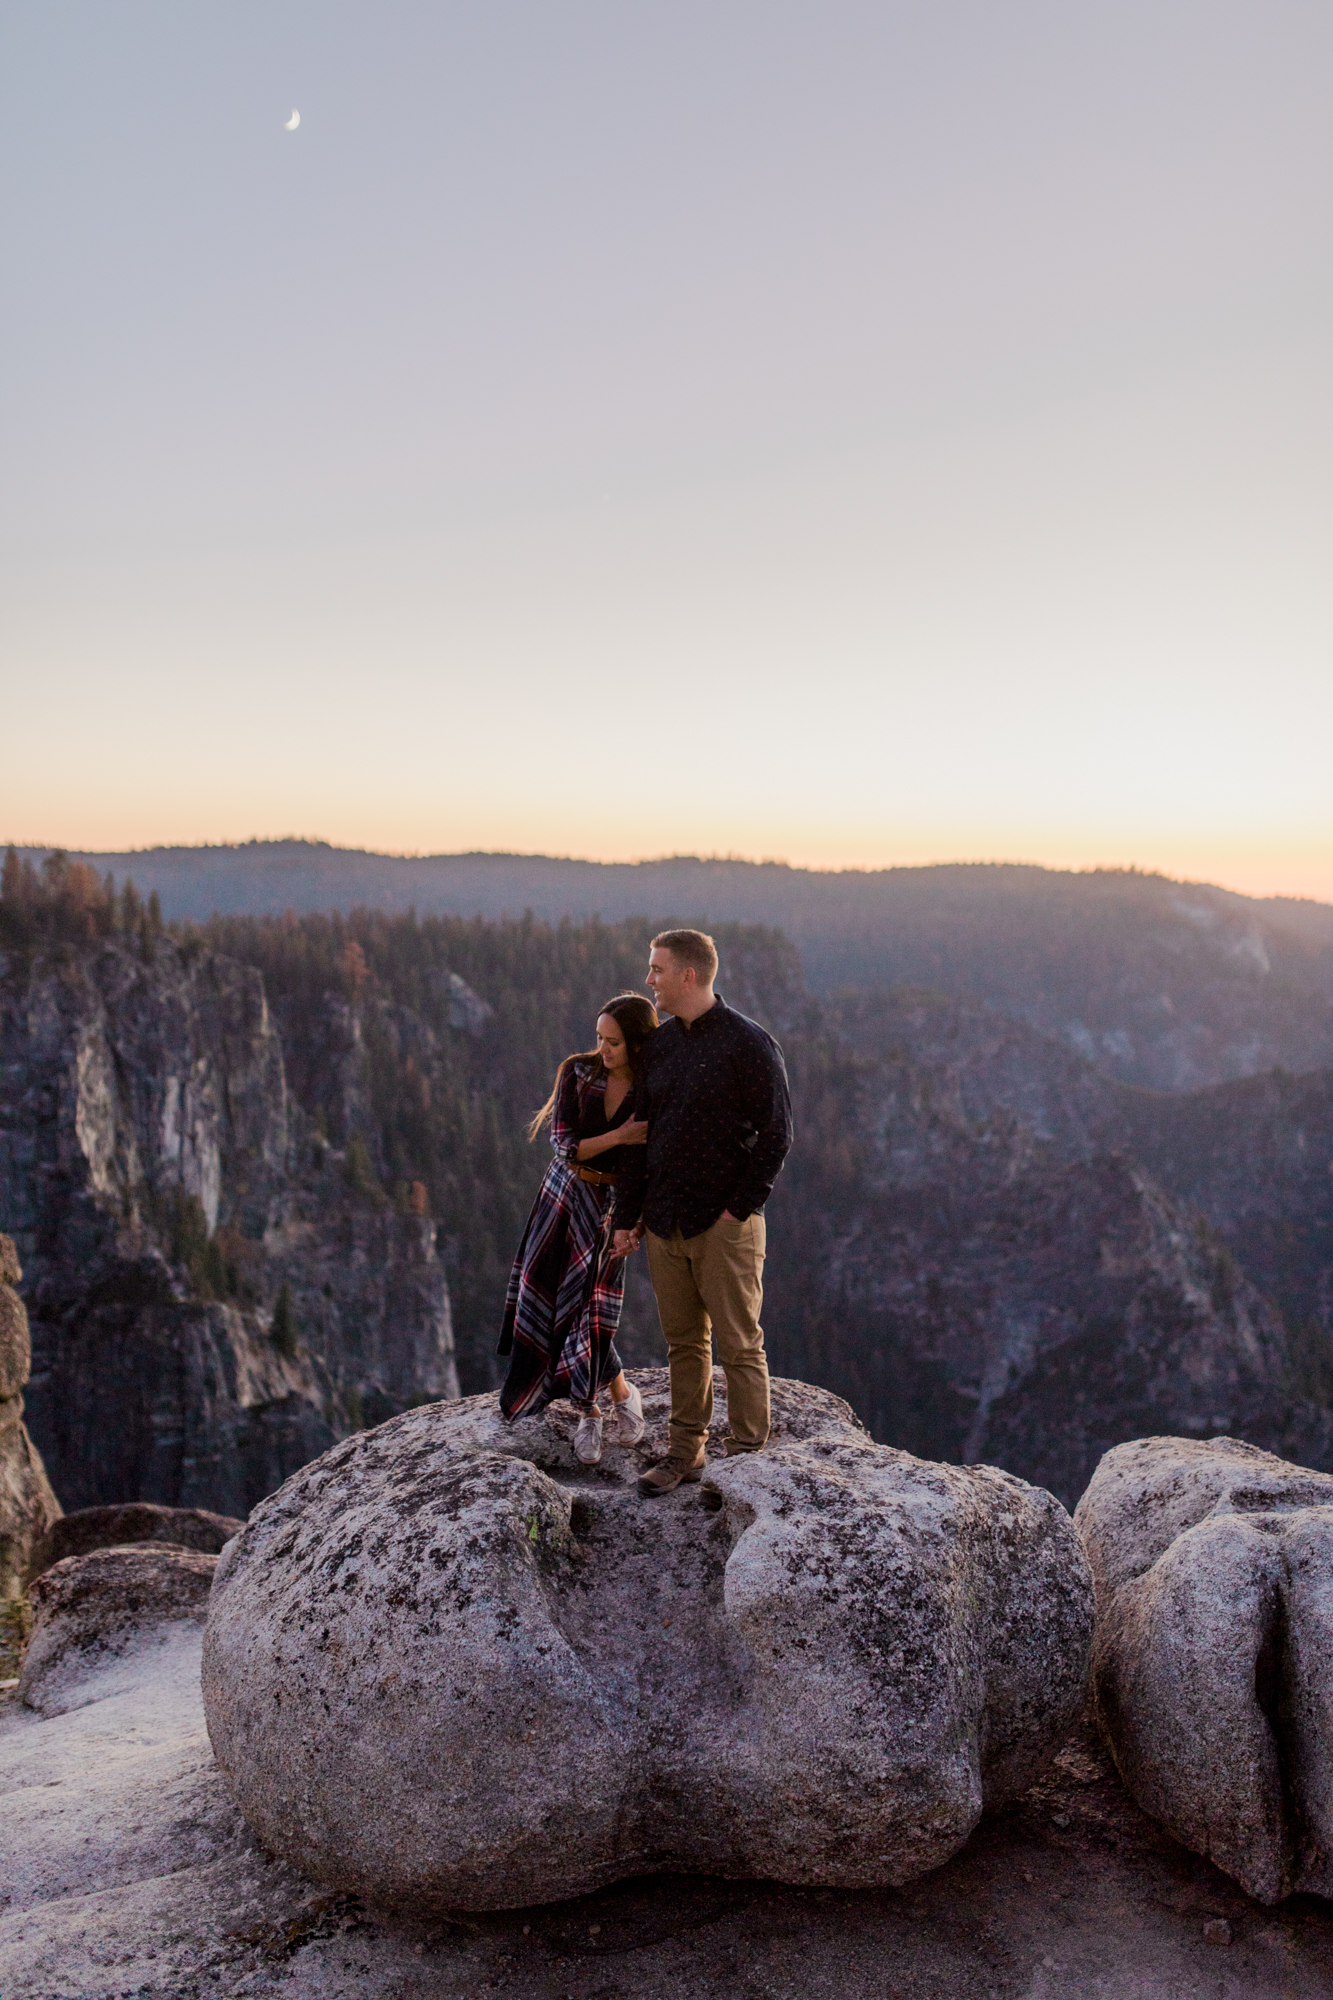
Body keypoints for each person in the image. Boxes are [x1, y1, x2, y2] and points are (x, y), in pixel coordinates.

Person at [611, 929, 793, 1496]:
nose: (650, 981)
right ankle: (685, 1454)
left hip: (724, 1225)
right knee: (685, 1344)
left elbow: (778, 1135)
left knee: (740, 1344)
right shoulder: (660, 1047)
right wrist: (629, 1215)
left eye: (657, 970)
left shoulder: (749, 1044)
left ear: (689, 975)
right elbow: (641, 1137)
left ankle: (742, 1465)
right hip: (665, 1222)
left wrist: (738, 1210)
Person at [498, 992, 658, 1463]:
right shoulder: (579, 1072)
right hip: (564, 1194)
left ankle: (614, 1399)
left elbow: (649, 1164)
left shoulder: (651, 1087)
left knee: (593, 1307)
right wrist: (621, 1135)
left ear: (637, 1043)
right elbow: (564, 1144)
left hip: (612, 1204)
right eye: (599, 1037)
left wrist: (637, 1221)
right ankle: (595, 1407)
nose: (603, 1049)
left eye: (614, 1042)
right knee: (554, 1301)